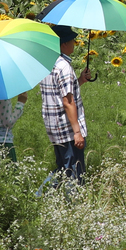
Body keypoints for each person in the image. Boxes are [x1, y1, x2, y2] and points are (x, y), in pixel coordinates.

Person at [39, 25, 92, 183]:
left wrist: (80, 80)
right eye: (72, 40)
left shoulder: (47, 64)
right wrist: (77, 132)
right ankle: (71, 204)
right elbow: (68, 102)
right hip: (67, 129)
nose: (75, 43)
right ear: (63, 44)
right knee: (74, 172)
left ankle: (43, 199)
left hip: (54, 127)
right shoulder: (64, 67)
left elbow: (59, 93)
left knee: (62, 168)